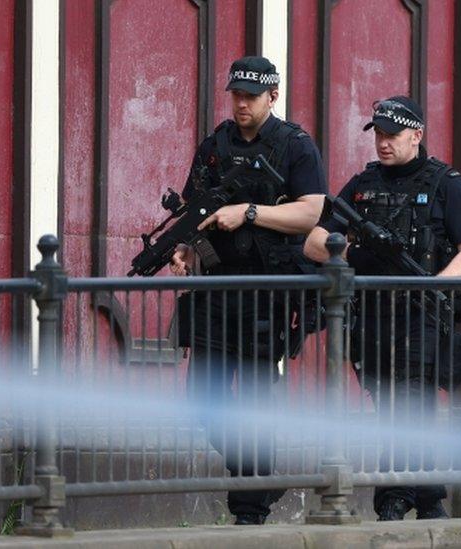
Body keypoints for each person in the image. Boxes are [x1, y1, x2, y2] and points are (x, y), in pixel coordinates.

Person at [304, 96, 461, 521]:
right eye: (378, 135)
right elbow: (315, 242)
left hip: (422, 313)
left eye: (392, 135)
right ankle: (430, 499)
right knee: (387, 404)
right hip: (372, 315)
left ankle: (393, 497)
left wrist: (437, 288)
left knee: (411, 403)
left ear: (416, 136)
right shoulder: (361, 185)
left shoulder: (447, 184)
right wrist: (356, 254)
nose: (383, 144)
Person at [169, 56, 326, 525]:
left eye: (251, 96)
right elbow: (195, 210)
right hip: (217, 289)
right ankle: (260, 480)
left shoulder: (295, 145)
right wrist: (185, 250)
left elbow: (312, 212)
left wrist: (251, 211)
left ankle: (249, 511)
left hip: (268, 292)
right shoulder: (215, 146)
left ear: (272, 97)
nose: (241, 103)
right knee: (204, 403)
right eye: (236, 94)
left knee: (256, 400)